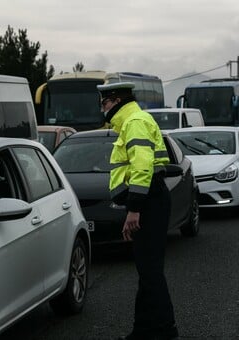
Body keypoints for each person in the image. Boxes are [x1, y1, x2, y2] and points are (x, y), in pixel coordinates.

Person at [96, 82, 178, 340]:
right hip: (149, 201)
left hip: (149, 200)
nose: (102, 108)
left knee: (151, 273)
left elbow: (142, 169)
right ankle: (144, 331)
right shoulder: (132, 121)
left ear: (117, 101)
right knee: (147, 272)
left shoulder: (135, 122)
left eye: (105, 103)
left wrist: (134, 209)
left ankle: (165, 332)